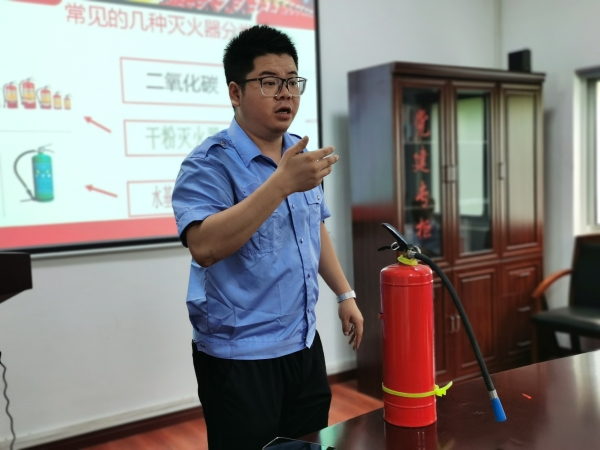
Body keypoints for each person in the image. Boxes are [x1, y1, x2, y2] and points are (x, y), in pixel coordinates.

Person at [172, 25, 364, 450]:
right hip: (239, 356)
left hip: (303, 343)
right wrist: (280, 184)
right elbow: (204, 246)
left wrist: (344, 293)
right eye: (270, 82)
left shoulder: (300, 155)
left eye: (292, 81)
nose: (286, 94)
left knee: (307, 444)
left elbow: (313, 228)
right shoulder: (209, 164)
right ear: (235, 92)